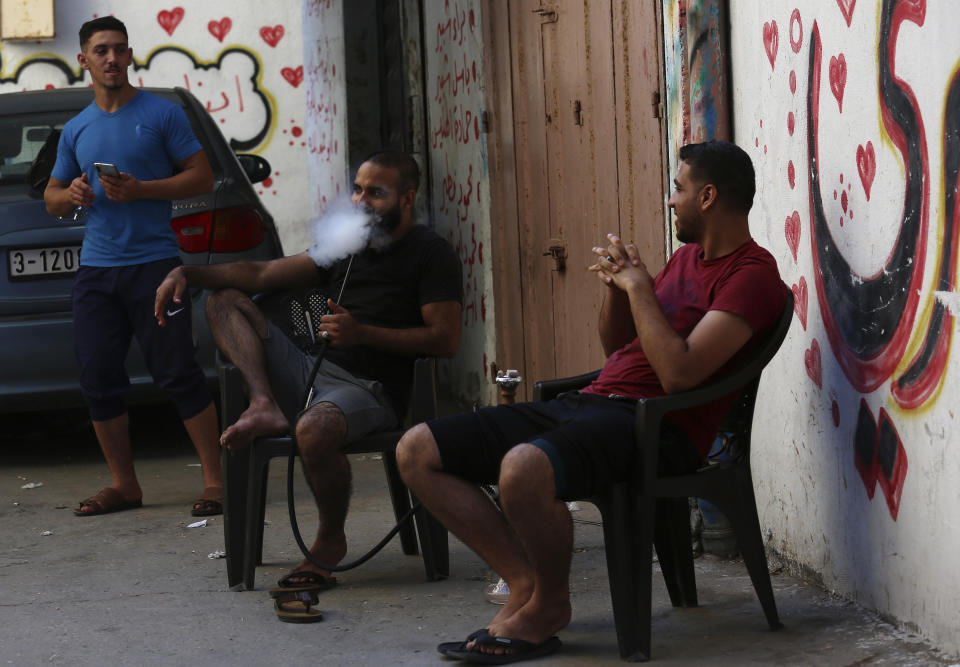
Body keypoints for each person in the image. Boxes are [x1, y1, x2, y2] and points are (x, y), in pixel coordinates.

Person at [396, 141, 789, 662]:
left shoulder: (753, 276)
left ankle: (550, 606)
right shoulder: (684, 261)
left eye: (679, 188)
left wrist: (641, 289)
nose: (671, 200)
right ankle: (523, 584)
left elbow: (678, 374)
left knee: (522, 469)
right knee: (417, 450)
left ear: (709, 196)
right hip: (594, 402)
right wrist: (620, 291)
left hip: (656, 428)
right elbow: (617, 350)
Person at [153, 150, 462, 595]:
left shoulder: (431, 254)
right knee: (224, 301)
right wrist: (187, 272)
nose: (359, 201)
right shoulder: (346, 245)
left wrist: (362, 334)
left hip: (371, 389)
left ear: (407, 198)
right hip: (312, 371)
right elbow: (261, 272)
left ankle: (329, 541)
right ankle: (264, 403)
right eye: (356, 189)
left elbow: (443, 340)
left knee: (315, 432)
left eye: (375, 193)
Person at [44, 17, 222, 518]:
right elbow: (53, 199)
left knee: (178, 373)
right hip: (98, 272)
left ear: (130, 55)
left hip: (156, 267)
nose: (112, 59)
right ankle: (125, 485)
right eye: (101, 50)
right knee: (98, 377)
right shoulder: (77, 129)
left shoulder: (161, 114)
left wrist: (142, 189)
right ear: (84, 59)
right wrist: (72, 194)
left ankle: (216, 482)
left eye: (120, 49)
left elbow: (201, 177)